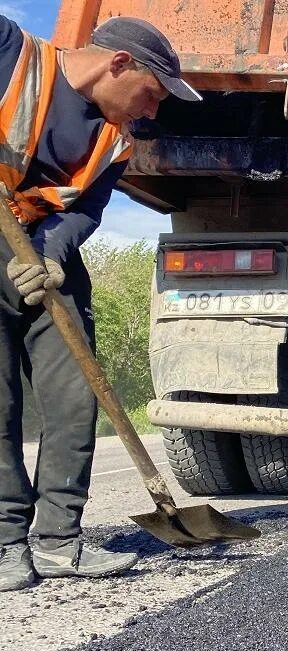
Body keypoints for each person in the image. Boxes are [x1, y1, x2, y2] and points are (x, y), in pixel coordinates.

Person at [0, 16, 201, 592]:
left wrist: (53, 255)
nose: (152, 111)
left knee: (73, 402)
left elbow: (85, 210)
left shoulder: (113, 143)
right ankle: (6, 545)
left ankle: (60, 542)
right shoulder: (12, 54)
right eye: (152, 93)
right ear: (118, 64)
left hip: (47, 262)